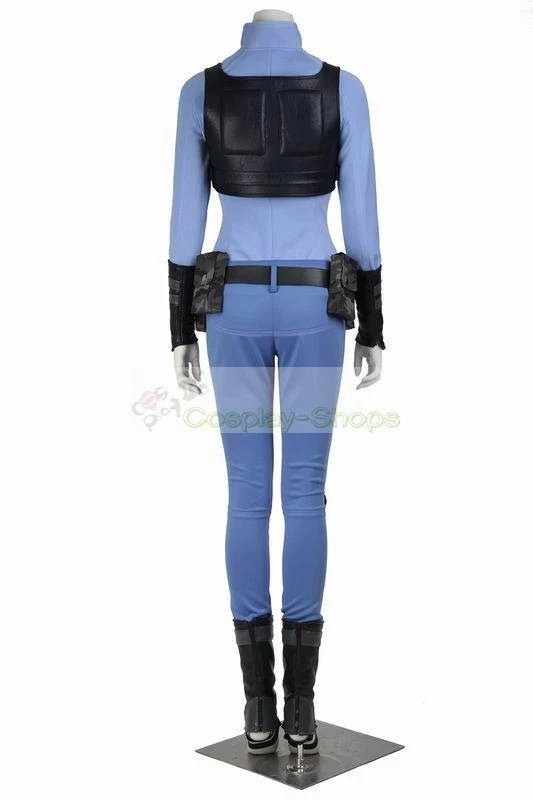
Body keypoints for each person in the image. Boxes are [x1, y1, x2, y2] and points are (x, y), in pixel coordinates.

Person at [168, 11, 385, 756]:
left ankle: (257, 706)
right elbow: (361, 215)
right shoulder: (342, 89)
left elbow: (184, 217)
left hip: (228, 306)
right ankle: (302, 706)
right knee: (304, 494)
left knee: (246, 496)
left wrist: (177, 326)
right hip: (313, 305)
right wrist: (374, 323)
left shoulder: (200, 90)